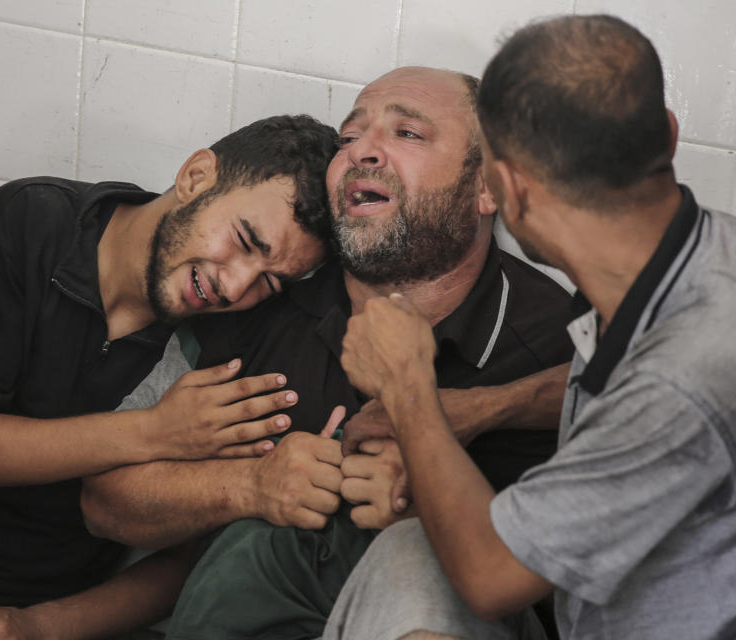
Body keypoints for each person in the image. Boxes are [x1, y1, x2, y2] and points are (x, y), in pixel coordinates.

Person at [332, 14, 736, 640]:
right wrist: (478, 408)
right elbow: (614, 385)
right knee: (409, 557)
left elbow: (491, 576)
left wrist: (409, 385)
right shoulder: (728, 249)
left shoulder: (684, 379)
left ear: (505, 191)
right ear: (668, 135)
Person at [84, 66, 574, 640]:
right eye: (349, 138)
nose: (362, 151)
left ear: (488, 184)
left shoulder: (548, 340)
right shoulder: (257, 292)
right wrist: (253, 485)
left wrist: (432, 502)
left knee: (418, 556)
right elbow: (105, 504)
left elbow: (578, 573)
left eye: (407, 134)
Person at [0, 114, 340, 639]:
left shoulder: (232, 343)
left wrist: (37, 628)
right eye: (244, 239)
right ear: (196, 177)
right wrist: (155, 431)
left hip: (24, 611)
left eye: (270, 284)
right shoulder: (35, 223)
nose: (235, 287)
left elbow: (185, 559)